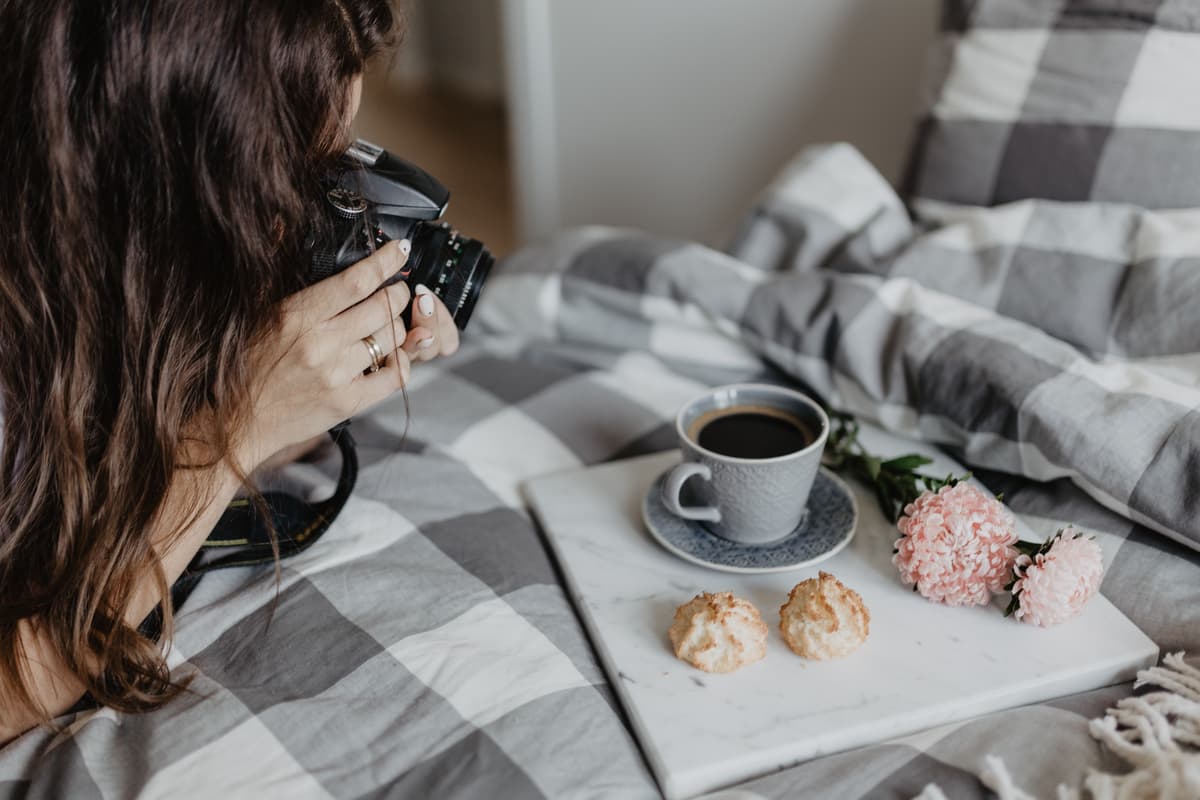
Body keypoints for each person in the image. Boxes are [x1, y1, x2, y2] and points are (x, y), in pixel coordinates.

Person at [0, 0, 458, 741]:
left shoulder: (133, 250)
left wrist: (314, 385)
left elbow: (141, 435)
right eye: (284, 179)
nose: (289, 219)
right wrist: (237, 425)